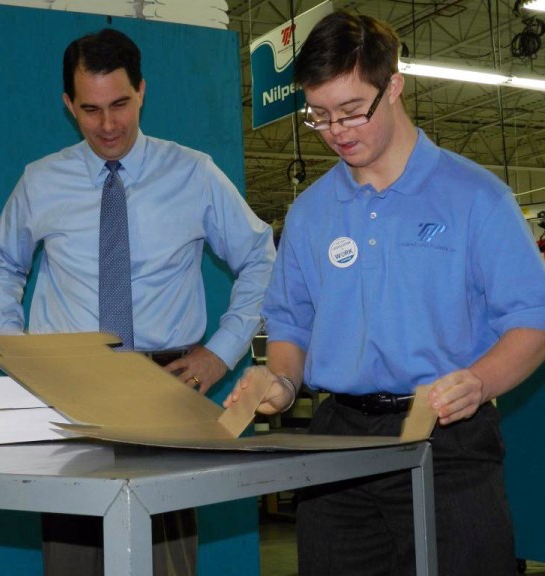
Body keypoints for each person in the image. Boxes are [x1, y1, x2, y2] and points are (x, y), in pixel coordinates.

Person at [225, 9, 545, 576]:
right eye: (319, 117)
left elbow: (533, 321)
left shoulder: (476, 199)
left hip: (448, 438)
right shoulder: (310, 213)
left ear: (393, 86)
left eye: (351, 112)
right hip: (337, 446)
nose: (338, 132)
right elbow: (292, 323)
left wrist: (479, 382)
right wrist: (278, 382)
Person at [0, 28, 275, 576]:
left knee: (166, 560)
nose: (108, 125)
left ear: (142, 91)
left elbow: (262, 258)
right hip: (70, 392)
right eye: (90, 110)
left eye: (120, 104)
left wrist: (222, 352)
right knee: (72, 559)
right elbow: (1, 263)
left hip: (166, 391)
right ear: (69, 105)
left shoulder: (194, 173)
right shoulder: (41, 181)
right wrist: (19, 350)